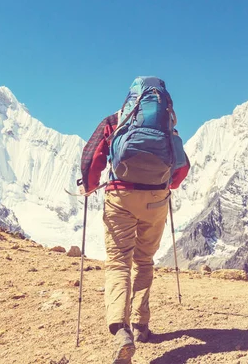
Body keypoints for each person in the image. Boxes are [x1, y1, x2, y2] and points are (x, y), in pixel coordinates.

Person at [80, 77, 189, 364]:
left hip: (120, 198)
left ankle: (121, 331)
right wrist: (164, 185)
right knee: (144, 261)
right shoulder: (167, 127)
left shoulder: (116, 120)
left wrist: (90, 185)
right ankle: (141, 324)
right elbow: (181, 167)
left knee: (118, 264)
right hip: (155, 200)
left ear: (131, 98)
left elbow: (92, 157)